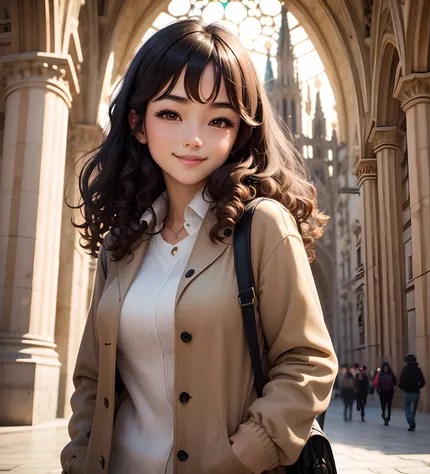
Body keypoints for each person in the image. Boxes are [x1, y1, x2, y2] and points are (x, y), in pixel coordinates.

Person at [60, 18, 338, 474]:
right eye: (171, 113)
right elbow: (92, 376)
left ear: (238, 133)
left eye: (219, 120)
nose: (194, 137)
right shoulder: (120, 243)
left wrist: (243, 455)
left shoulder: (263, 225)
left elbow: (309, 363)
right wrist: (78, 458)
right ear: (138, 123)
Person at [399, 354, 425, 432]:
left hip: (407, 392)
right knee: (414, 409)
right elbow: (423, 382)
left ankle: (411, 423)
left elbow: (401, 381)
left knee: (407, 408)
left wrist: (402, 387)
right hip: (416, 392)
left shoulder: (405, 369)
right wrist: (418, 386)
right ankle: (412, 420)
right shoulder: (418, 369)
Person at [373, 362, 397, 426]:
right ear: (383, 368)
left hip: (390, 392)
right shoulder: (379, 374)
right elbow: (376, 383)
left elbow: (395, 382)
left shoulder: (391, 374)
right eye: (385, 367)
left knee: (389, 405)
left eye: (387, 367)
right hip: (382, 392)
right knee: (383, 406)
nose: (386, 368)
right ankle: (384, 416)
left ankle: (387, 417)